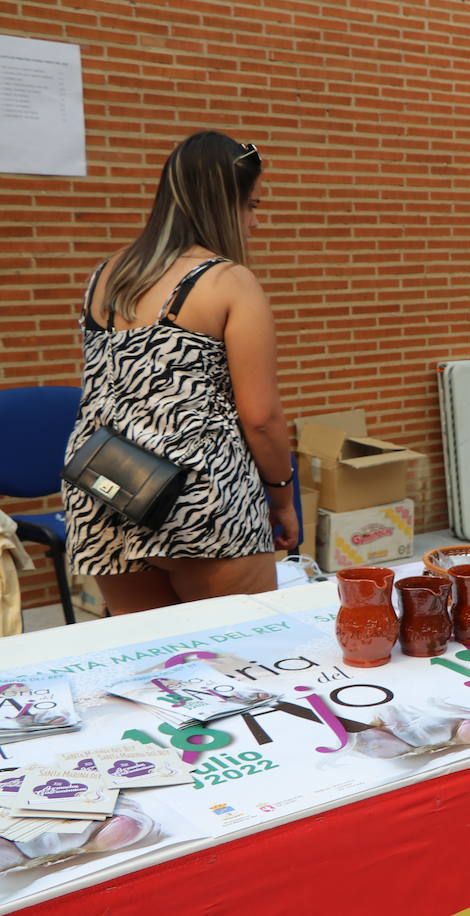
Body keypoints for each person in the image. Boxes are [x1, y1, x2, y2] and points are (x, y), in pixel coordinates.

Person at [63, 131, 297, 615]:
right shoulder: (228, 281)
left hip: (107, 486)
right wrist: (282, 498)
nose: (255, 222)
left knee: (155, 670)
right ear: (220, 203)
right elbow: (260, 418)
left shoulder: (105, 276)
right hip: (202, 493)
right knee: (246, 660)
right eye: (251, 205)